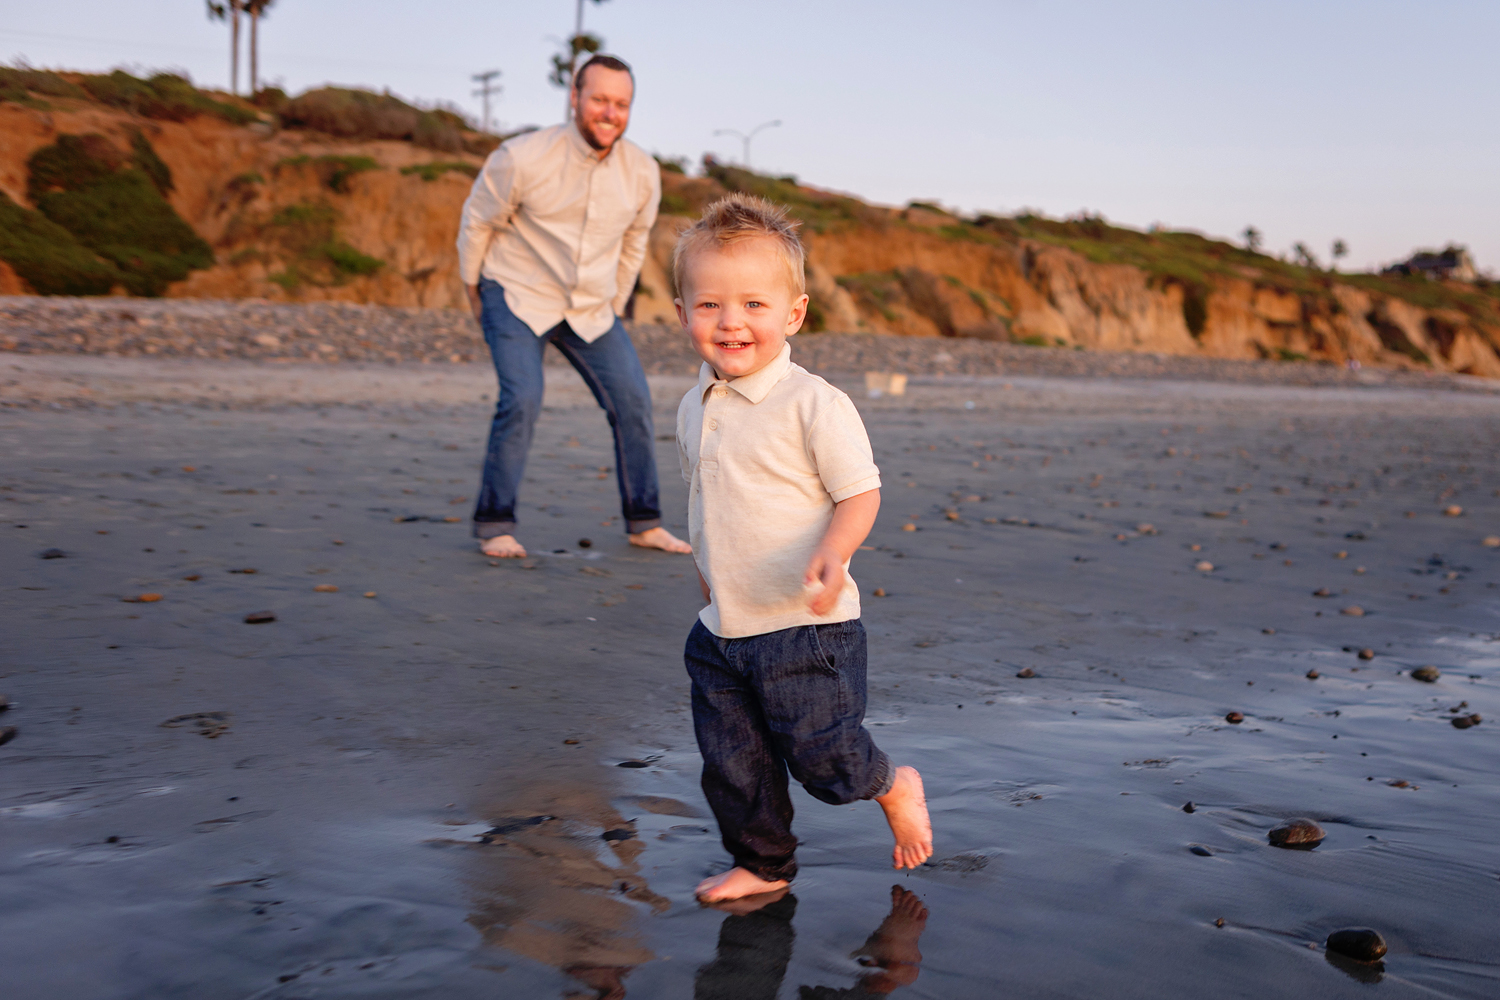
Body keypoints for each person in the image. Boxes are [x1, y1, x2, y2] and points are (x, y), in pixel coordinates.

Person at [672, 194, 933, 903]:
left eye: (754, 304)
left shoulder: (814, 403)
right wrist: (706, 568)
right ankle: (763, 864)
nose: (731, 322)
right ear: (682, 313)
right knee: (734, 765)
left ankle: (890, 783)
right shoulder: (693, 406)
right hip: (724, 627)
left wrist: (835, 552)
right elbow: (707, 497)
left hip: (806, 628)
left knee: (825, 759)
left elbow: (860, 493)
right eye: (710, 306)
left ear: (794, 314)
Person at [455, 53, 691, 559]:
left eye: (622, 104)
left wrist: (614, 298)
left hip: (590, 306)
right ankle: (495, 523)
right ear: (575, 98)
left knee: (632, 401)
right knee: (522, 399)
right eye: (600, 100)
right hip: (517, 291)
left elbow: (633, 241)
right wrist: (472, 286)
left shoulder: (643, 172)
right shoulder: (521, 156)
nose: (610, 113)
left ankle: (644, 521)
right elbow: (478, 220)